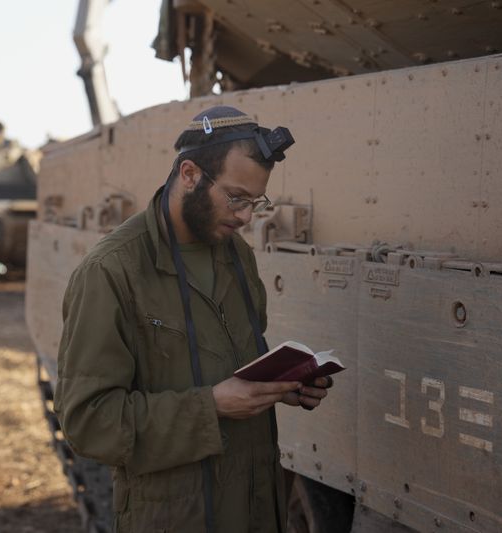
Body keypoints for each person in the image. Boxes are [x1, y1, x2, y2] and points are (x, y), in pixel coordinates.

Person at [55, 106, 333, 532]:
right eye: (236, 198)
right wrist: (212, 406)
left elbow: (232, 368)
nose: (245, 217)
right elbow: (88, 422)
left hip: (255, 512)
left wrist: (283, 387)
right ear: (189, 174)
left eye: (256, 203)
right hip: (175, 518)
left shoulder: (236, 255)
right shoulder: (111, 272)